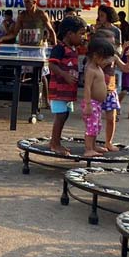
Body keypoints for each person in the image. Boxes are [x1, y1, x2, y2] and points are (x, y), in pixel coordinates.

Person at [48, 17, 87, 155]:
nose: (83, 37)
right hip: (59, 90)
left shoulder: (74, 48)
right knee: (61, 115)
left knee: (65, 115)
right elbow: (51, 64)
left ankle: (56, 140)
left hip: (67, 91)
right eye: (81, 33)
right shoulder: (59, 48)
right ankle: (54, 143)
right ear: (70, 34)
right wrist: (64, 75)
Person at [82, 37, 116, 158]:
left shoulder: (97, 68)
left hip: (97, 103)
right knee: (91, 127)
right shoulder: (91, 69)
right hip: (91, 102)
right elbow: (87, 87)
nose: (107, 61)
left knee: (96, 125)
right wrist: (87, 104)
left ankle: (93, 145)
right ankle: (88, 148)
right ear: (96, 56)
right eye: (105, 58)